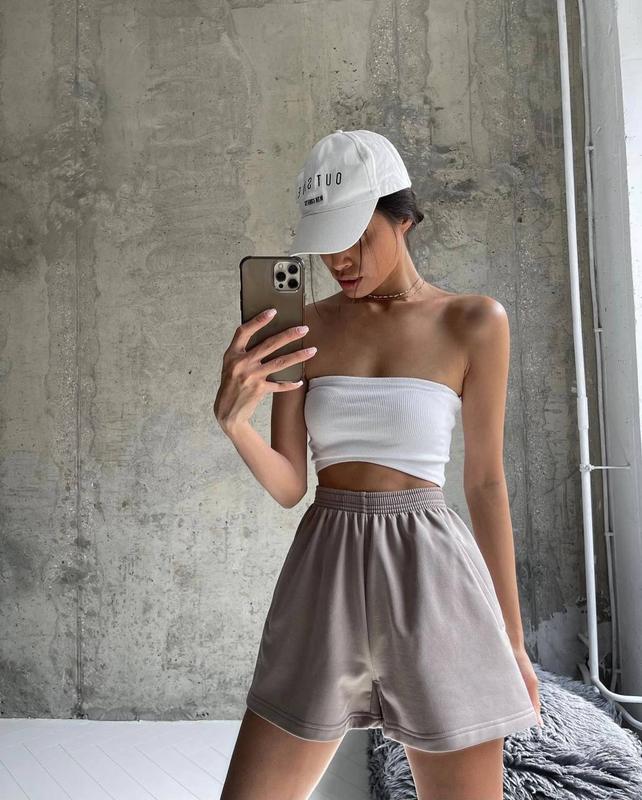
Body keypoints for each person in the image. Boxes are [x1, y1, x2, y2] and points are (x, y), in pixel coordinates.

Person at [214, 129, 543, 800]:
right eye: (327, 242)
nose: (339, 259)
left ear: (404, 218)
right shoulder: (304, 327)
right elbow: (290, 485)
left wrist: (513, 641)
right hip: (323, 572)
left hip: (432, 575)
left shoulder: (474, 322)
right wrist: (234, 424)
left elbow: (485, 484)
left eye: (357, 237)